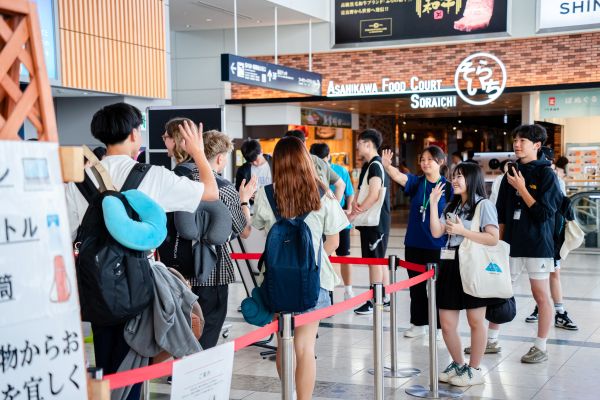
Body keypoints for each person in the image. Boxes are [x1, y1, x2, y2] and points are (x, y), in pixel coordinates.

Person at [65, 103, 219, 400]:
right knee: (132, 365)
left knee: (107, 362)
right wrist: (199, 153)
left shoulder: (78, 180)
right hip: (137, 285)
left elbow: (69, 234)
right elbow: (210, 192)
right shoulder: (153, 176)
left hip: (94, 284)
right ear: (134, 133)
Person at [252, 136, 349, 400]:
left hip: (277, 279)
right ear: (306, 160)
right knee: (305, 348)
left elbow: (256, 227)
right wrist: (308, 263)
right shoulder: (322, 194)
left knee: (284, 343)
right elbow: (334, 241)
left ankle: (289, 395)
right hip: (314, 281)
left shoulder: (266, 194)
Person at [162, 119, 258, 348]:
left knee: (182, 327)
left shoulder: (175, 180)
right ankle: (199, 367)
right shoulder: (224, 188)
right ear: (221, 158)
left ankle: (181, 365)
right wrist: (244, 199)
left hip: (177, 268)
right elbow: (244, 231)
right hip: (214, 271)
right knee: (208, 329)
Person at [430, 162, 503, 387]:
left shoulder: (484, 205)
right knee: (446, 322)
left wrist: (463, 231)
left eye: (459, 176)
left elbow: (493, 238)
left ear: (472, 179)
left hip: (474, 266)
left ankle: (474, 369)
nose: (454, 180)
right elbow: (436, 232)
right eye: (454, 176)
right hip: (450, 265)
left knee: (475, 321)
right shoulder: (451, 206)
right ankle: (459, 364)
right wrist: (433, 204)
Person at [494, 124, 563, 363]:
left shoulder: (547, 175)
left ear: (537, 145)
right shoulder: (510, 172)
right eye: (515, 140)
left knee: (540, 295)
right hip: (511, 243)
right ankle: (491, 340)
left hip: (537, 244)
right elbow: (501, 212)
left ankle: (540, 346)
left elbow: (544, 214)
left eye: (522, 140)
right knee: (501, 290)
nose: (517, 144)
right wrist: (498, 244)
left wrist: (522, 188)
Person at [381, 145, 451, 336]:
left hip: (438, 246)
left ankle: (438, 326)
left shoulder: (448, 187)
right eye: (422, 159)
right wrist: (387, 166)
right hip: (414, 243)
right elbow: (399, 176)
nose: (425, 163)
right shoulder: (418, 182)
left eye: (430, 159)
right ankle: (419, 324)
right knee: (416, 286)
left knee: (437, 288)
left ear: (441, 162)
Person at [524, 148, 578, 330]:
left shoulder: (553, 179)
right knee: (541, 277)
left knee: (553, 273)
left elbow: (555, 209)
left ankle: (559, 312)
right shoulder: (531, 176)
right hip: (536, 235)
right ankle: (542, 308)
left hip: (551, 235)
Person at [350, 129, 392, 315]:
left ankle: (375, 300)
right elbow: (362, 191)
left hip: (376, 223)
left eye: (359, 143)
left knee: (374, 261)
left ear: (368, 144)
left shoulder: (375, 165)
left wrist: (356, 212)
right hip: (372, 222)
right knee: (378, 260)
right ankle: (385, 297)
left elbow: (374, 194)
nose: (357, 146)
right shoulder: (369, 165)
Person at [310, 143, 356, 301]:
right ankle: (345, 291)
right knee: (340, 255)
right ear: (328, 156)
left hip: (327, 218)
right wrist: (346, 208)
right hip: (334, 218)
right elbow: (348, 192)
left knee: (330, 254)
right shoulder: (339, 170)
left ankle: (335, 292)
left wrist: (346, 208)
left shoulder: (318, 169)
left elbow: (348, 191)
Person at [283, 129, 345, 202]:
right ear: (304, 143)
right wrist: (334, 207)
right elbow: (341, 185)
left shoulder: (283, 164)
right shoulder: (318, 161)